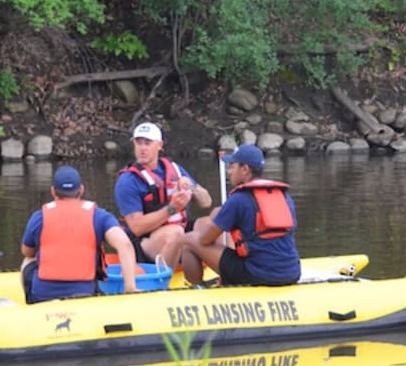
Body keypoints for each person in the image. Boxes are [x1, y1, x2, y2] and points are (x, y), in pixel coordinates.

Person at [180, 144, 301, 286]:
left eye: (232, 166)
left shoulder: (238, 199)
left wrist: (217, 221)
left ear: (245, 169)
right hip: (291, 271)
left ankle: (198, 289)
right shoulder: (284, 196)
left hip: (256, 274)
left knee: (188, 239)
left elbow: (205, 240)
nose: (229, 171)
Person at [21, 165, 137, 303]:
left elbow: (27, 251)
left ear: (53, 191)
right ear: (81, 190)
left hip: (43, 296)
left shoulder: (39, 217)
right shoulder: (99, 216)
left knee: (28, 260)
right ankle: (130, 289)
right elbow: (124, 244)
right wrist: (130, 287)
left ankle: (30, 306)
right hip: (84, 293)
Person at [113, 122, 212, 269]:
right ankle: (161, 282)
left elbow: (206, 202)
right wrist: (172, 208)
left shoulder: (175, 169)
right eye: (138, 143)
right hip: (145, 242)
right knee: (175, 232)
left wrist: (191, 187)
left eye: (147, 143)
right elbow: (136, 227)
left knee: (215, 223)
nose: (142, 148)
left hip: (179, 229)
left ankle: (227, 276)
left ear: (159, 145)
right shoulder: (128, 181)